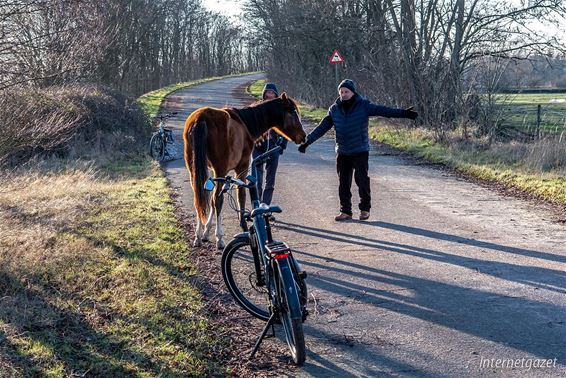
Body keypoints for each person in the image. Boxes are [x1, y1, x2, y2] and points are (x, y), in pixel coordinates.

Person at [298, 79, 418, 221]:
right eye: (341, 92)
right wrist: (307, 142)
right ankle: (346, 211)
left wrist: (404, 113)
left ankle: (365, 209)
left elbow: (383, 110)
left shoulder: (363, 105)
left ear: (353, 92)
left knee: (361, 180)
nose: (343, 94)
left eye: (346, 91)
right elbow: (322, 127)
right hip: (342, 152)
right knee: (343, 182)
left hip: (359, 150)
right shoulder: (334, 109)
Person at [252, 82, 288, 205]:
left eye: (272, 93)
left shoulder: (280, 110)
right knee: (257, 179)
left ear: (276, 95)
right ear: (264, 94)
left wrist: (283, 143)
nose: (270, 95)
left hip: (273, 147)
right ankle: (256, 208)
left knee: (270, 180)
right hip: (257, 147)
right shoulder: (257, 108)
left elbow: (286, 128)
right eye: (268, 92)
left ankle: (266, 206)